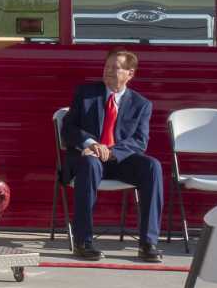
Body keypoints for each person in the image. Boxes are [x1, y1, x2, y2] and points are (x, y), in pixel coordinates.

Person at [60, 50, 163, 263]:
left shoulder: (141, 104)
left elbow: (139, 141)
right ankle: (83, 242)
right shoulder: (86, 94)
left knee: (153, 166)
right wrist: (92, 144)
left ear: (130, 73)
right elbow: (68, 128)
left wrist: (112, 151)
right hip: (88, 159)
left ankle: (148, 244)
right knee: (90, 163)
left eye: (114, 68)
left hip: (119, 162)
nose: (107, 71)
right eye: (106, 66)